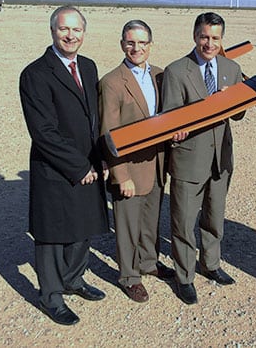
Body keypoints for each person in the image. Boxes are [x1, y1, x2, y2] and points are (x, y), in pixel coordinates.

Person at [19, 5, 109, 326]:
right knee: (52, 233)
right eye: (64, 29)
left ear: (84, 33)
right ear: (53, 31)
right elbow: (43, 131)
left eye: (77, 30)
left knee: (82, 224)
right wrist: (78, 166)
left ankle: (74, 279)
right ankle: (51, 296)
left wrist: (100, 159)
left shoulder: (88, 66)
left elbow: (94, 118)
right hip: (56, 167)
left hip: (89, 162)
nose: (70, 35)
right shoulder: (35, 73)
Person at [161, 12, 244, 305]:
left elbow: (240, 112)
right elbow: (169, 117)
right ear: (195, 36)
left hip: (220, 159)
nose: (210, 43)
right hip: (188, 159)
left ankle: (211, 264)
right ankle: (184, 277)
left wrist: (231, 100)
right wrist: (176, 130)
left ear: (222, 39)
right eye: (205, 37)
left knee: (214, 217)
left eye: (216, 38)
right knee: (183, 222)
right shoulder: (176, 70)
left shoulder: (232, 69)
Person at [98, 20, 175, 303]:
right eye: (131, 42)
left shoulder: (160, 75)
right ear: (122, 45)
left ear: (150, 45)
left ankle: (148, 262)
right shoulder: (112, 82)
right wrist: (120, 175)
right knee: (128, 225)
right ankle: (129, 276)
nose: (136, 48)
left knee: (150, 220)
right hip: (129, 168)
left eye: (142, 43)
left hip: (157, 164)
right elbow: (109, 134)